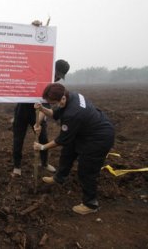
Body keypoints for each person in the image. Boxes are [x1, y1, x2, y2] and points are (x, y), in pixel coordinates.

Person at [33, 83, 114, 215]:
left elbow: (61, 140)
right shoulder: (71, 96)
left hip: (99, 138)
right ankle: (59, 178)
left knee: (86, 171)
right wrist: (42, 109)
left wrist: (42, 147)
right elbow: (55, 114)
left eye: (54, 102)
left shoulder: (73, 113)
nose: (53, 105)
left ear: (62, 99)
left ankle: (90, 204)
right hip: (84, 131)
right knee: (67, 153)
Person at [11, 59, 70, 176]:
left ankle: (44, 163)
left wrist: (38, 122)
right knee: (18, 139)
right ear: (53, 69)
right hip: (22, 110)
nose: (57, 78)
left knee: (43, 138)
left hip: (38, 112)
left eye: (59, 76)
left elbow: (47, 104)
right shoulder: (38, 74)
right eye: (57, 74)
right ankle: (17, 166)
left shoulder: (53, 86)